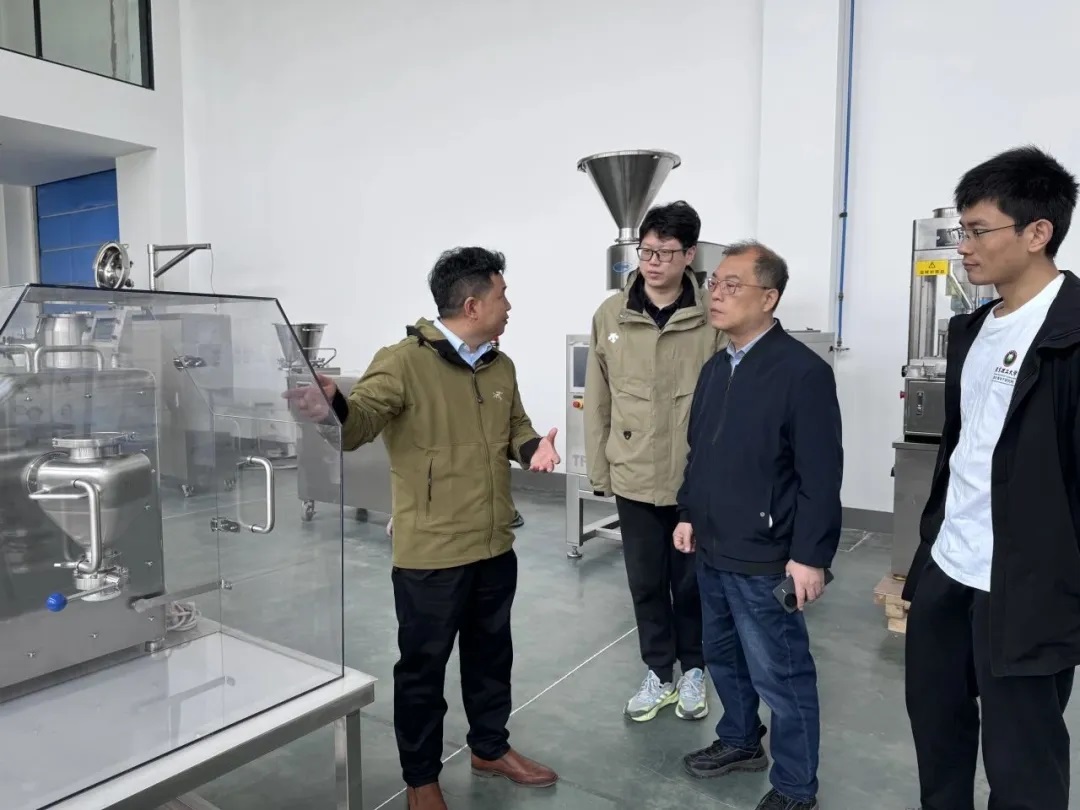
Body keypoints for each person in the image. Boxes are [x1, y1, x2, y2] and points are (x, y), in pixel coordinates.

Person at [286, 246, 560, 810]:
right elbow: (358, 425)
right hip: (431, 553)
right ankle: (421, 779)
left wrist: (535, 447)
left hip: (493, 543)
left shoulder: (500, 365)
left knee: (492, 658)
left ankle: (489, 748)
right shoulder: (402, 363)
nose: (509, 306)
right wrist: (332, 407)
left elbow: (516, 427)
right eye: (502, 295)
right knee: (423, 670)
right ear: (472, 304)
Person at [902, 146, 1080, 810]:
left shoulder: (1071, 335)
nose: (963, 247)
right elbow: (960, 452)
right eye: (962, 230)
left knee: (1023, 763)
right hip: (949, 569)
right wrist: (928, 554)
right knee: (938, 736)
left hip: (1027, 590)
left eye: (978, 231)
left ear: (1037, 233)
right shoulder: (971, 328)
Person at [673, 240, 842, 810]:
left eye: (732, 285)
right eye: (714, 283)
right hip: (713, 546)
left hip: (767, 555)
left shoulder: (802, 373)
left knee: (782, 673)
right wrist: (688, 512)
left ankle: (796, 786)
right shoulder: (716, 368)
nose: (716, 295)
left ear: (768, 298)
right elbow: (700, 452)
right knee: (723, 656)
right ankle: (741, 739)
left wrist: (810, 556)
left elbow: (821, 474)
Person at [584, 200, 725, 722]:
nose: (653, 262)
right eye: (646, 251)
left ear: (690, 255)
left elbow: (726, 402)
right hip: (634, 473)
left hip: (693, 479)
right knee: (645, 583)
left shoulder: (712, 316)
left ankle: (695, 670)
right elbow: (598, 398)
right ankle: (658, 671)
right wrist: (599, 469)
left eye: (666, 252)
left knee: (691, 583)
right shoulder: (610, 315)